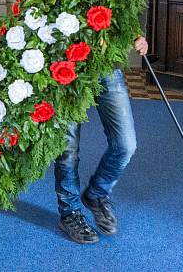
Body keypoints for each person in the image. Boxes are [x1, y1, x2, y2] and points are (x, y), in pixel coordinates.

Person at [55, 36, 149, 244]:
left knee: (125, 144)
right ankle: (69, 213)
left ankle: (96, 193)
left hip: (106, 66)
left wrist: (136, 36)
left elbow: (121, 9)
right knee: (67, 151)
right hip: (64, 65)